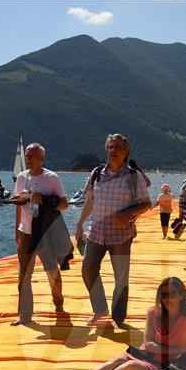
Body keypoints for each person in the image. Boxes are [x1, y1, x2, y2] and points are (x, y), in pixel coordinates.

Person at [55, 277, 186, 370]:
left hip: (160, 366)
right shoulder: (153, 313)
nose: (167, 299)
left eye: (172, 294)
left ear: (182, 295)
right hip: (143, 353)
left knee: (129, 366)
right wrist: (179, 349)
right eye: (164, 295)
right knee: (116, 360)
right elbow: (149, 345)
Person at [75, 133, 151, 329]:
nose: (113, 150)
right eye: (110, 147)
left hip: (121, 235)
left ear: (126, 152)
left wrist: (128, 215)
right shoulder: (96, 173)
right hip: (96, 233)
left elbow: (146, 204)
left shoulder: (134, 176)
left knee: (121, 278)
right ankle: (100, 309)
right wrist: (79, 223)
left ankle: (118, 318)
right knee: (88, 270)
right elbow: (90, 201)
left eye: (118, 147)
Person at [12, 142, 70, 325]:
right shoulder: (21, 177)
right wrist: (17, 229)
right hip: (26, 233)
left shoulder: (51, 178)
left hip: (45, 233)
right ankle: (24, 314)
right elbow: (17, 204)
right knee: (23, 275)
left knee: (51, 271)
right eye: (27, 155)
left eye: (32, 156)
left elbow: (64, 204)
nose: (28, 158)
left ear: (41, 159)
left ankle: (58, 304)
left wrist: (43, 200)